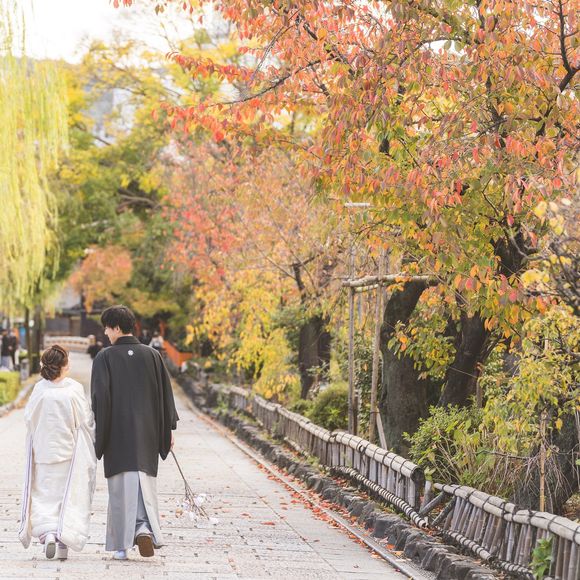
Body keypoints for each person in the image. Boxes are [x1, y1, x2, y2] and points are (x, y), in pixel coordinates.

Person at [91, 305, 178, 561]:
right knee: (144, 482)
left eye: (107, 328)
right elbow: (166, 396)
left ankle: (121, 546)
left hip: (117, 433)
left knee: (120, 486)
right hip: (148, 432)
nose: (106, 333)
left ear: (117, 328)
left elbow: (100, 400)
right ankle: (143, 527)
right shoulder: (152, 355)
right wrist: (167, 430)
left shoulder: (105, 357)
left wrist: (99, 435)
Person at [19, 345, 96, 560]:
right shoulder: (73, 389)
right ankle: (63, 542)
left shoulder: (39, 389)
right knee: (66, 496)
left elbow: (29, 418)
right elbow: (84, 420)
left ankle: (48, 534)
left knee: (44, 495)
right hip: (67, 451)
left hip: (43, 450)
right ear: (63, 365)